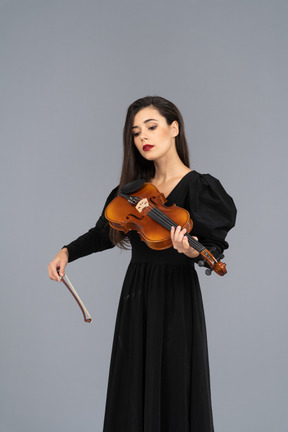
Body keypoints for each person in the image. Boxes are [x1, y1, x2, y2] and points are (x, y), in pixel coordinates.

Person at [48, 96, 237, 432]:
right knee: (133, 386)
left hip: (177, 295)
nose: (143, 138)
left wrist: (193, 252)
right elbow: (102, 233)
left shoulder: (199, 187)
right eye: (136, 132)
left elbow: (212, 245)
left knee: (175, 382)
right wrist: (66, 252)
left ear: (173, 128)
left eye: (151, 127)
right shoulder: (131, 192)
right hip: (137, 294)